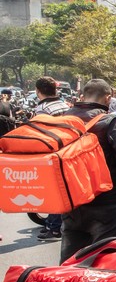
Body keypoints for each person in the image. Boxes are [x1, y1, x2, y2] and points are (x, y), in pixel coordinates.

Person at [60, 79, 116, 262]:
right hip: (105, 201)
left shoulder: (62, 119)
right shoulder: (109, 121)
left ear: (83, 95)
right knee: (103, 259)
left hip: (72, 199)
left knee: (70, 260)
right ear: (108, 98)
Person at [32, 77, 72, 240]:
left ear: (38, 91)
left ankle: (55, 228)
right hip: (67, 150)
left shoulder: (42, 109)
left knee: (53, 191)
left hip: (51, 153)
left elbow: (40, 135)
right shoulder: (64, 105)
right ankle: (55, 223)